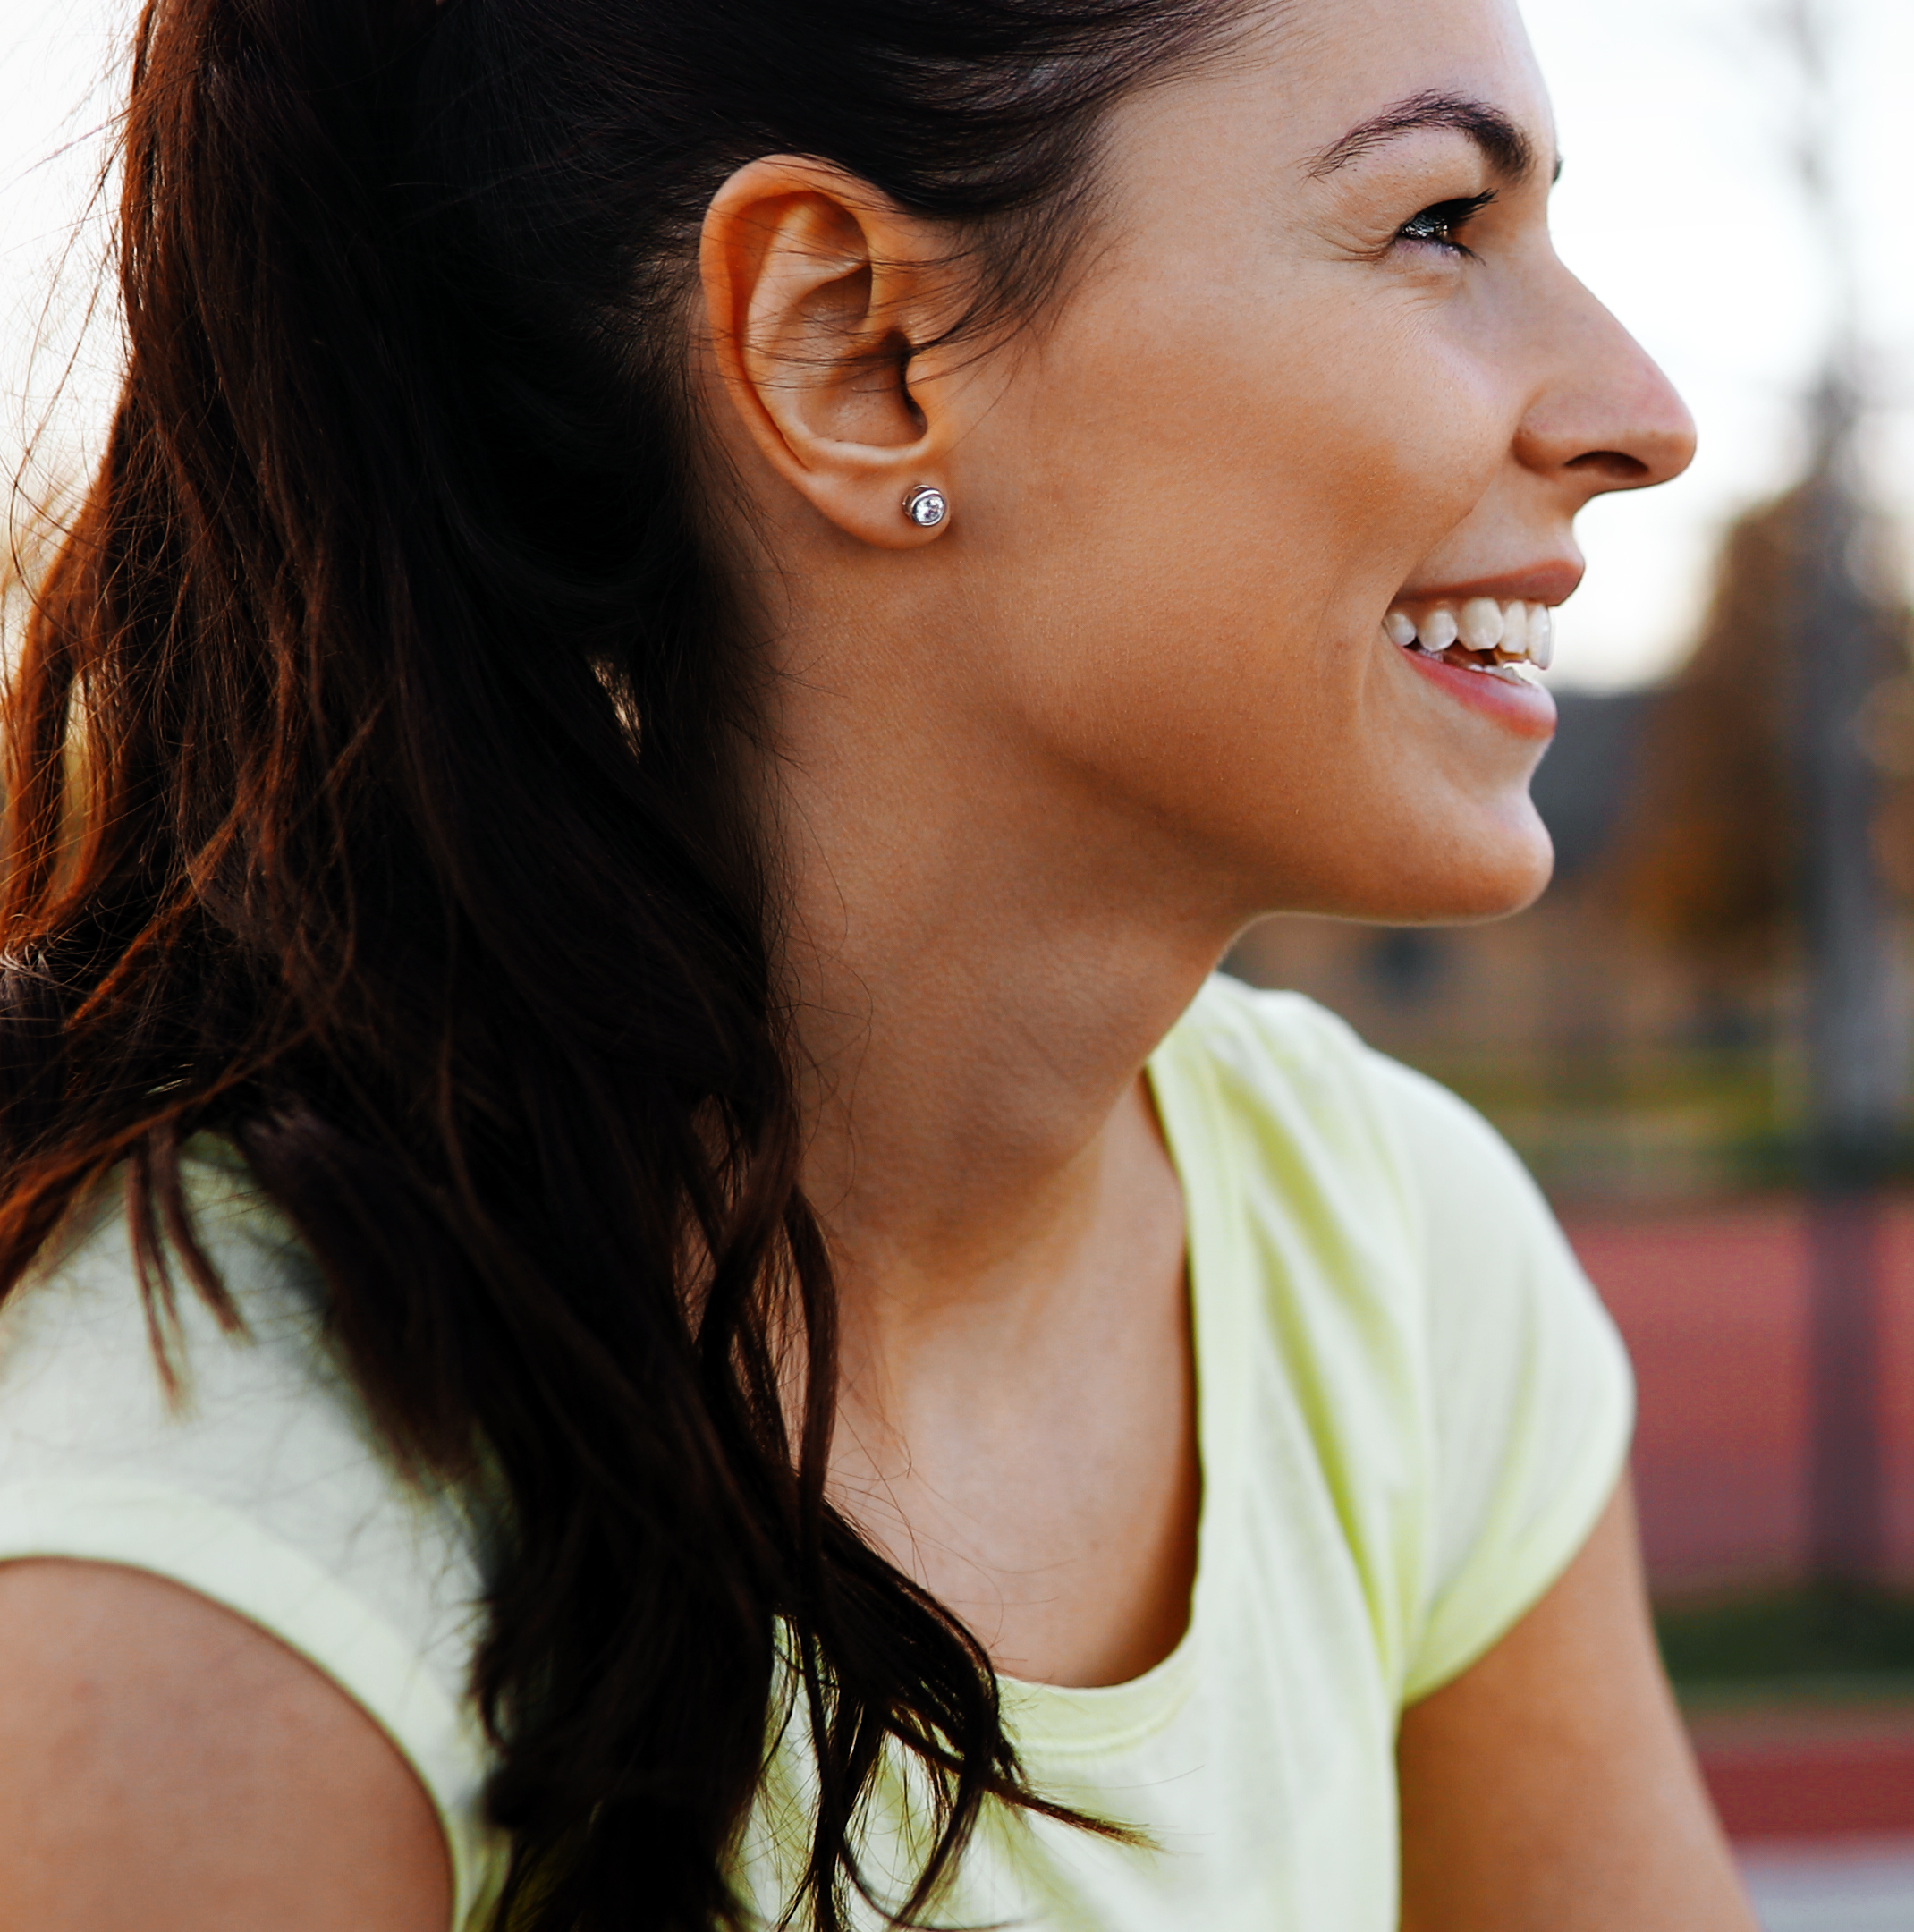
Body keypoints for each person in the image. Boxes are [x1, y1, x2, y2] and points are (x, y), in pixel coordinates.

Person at [0, 0, 1746, 1927]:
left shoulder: (1396, 1268)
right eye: (1437, 223)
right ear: (853, 349)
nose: (1640, 413)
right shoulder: (211, 1553)